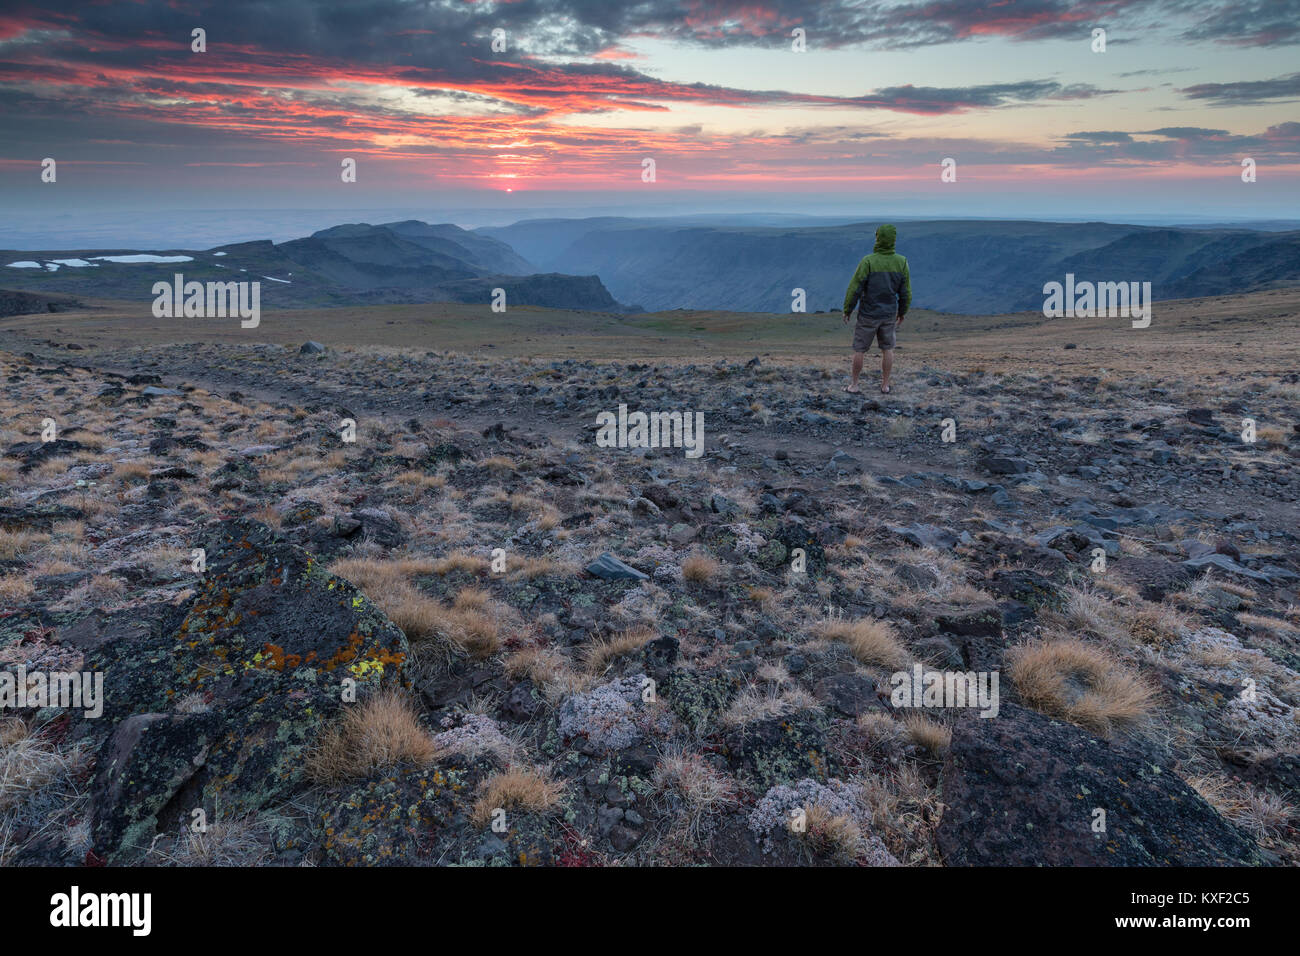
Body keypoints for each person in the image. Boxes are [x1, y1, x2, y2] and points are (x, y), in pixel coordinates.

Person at [842, 223, 911, 394]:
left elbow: (855, 287)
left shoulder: (868, 261)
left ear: (878, 238)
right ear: (893, 240)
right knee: (887, 348)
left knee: (860, 349)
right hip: (889, 314)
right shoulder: (901, 262)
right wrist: (902, 312)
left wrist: (848, 309)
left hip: (868, 314)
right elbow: (906, 291)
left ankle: (854, 385)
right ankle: (885, 385)